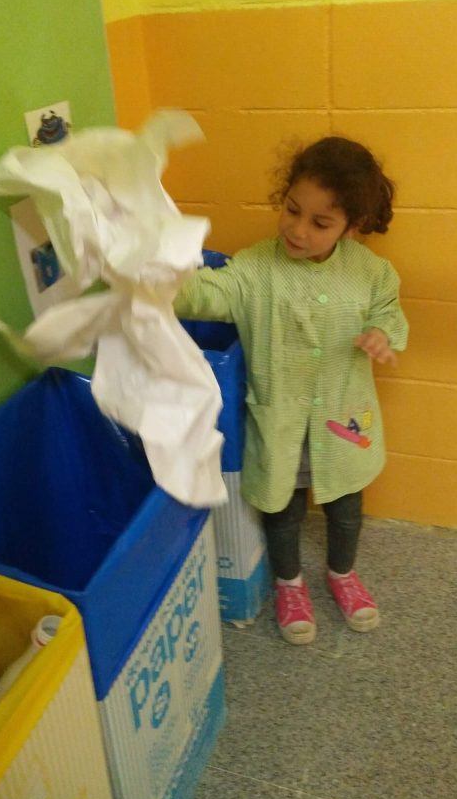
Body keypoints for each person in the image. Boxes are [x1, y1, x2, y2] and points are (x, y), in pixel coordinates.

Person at [174, 136, 408, 645]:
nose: (298, 230)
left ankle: (342, 574)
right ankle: (289, 584)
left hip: (342, 422)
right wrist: (157, 276)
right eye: (292, 210)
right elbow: (205, 294)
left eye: (320, 223)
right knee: (283, 510)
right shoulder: (255, 268)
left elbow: (389, 312)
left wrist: (381, 333)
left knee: (346, 508)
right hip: (280, 421)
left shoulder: (370, 273)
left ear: (351, 226)